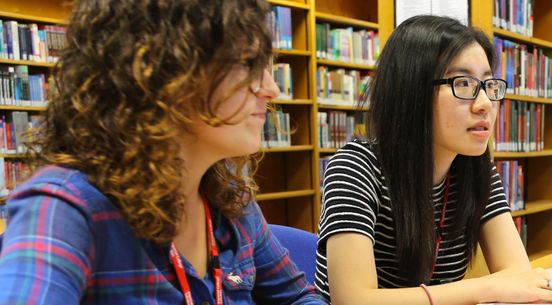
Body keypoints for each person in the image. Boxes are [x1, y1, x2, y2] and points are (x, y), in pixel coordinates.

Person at [0, 0, 326, 304]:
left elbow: (298, 298)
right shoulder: (67, 206)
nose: (272, 90)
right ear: (162, 72)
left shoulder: (231, 199)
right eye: (248, 64)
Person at [316, 15, 552, 305]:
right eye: (464, 83)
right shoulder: (355, 168)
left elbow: (516, 273)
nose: (485, 104)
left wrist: (501, 286)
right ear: (412, 92)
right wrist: (487, 288)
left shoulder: (474, 167)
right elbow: (353, 300)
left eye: (488, 85)